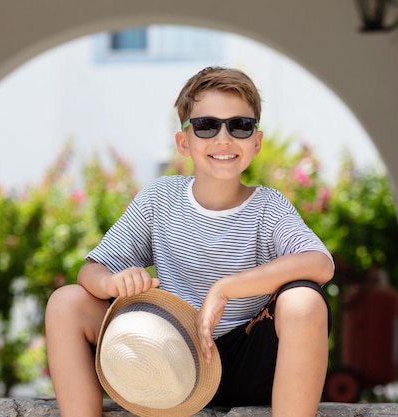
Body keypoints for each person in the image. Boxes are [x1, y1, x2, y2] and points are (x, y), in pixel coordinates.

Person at [45, 66, 334, 417]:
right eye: (207, 126)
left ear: (256, 141)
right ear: (185, 142)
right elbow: (90, 272)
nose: (224, 139)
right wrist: (112, 282)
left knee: (304, 300)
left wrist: (225, 289)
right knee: (66, 302)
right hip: (171, 360)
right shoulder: (160, 199)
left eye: (240, 126)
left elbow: (320, 262)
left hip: (251, 361)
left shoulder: (268, 206)